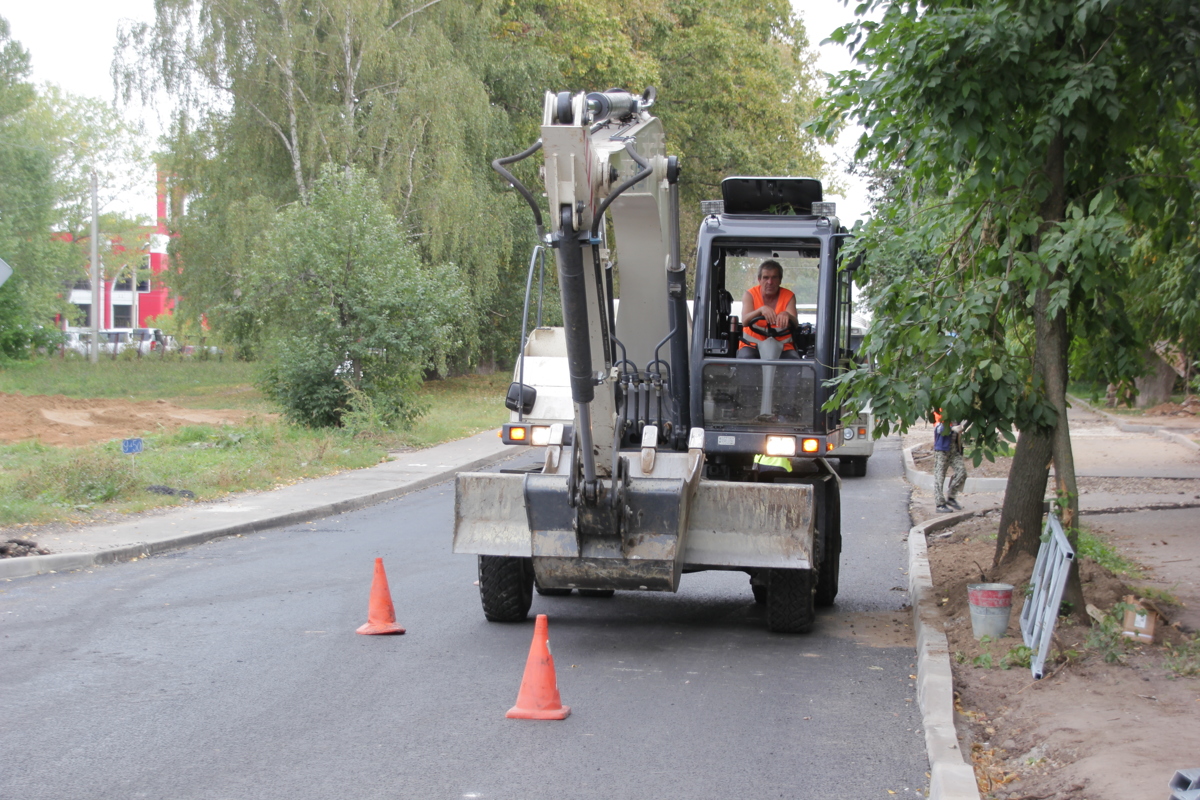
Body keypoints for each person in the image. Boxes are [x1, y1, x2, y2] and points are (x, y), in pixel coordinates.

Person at [738, 260, 799, 360]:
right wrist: (760, 310)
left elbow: (795, 323)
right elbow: (745, 321)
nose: (770, 282)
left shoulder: (789, 296)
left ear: (780, 280)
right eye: (766, 278)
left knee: (793, 361)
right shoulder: (750, 295)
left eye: (774, 277)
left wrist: (787, 315)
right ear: (759, 279)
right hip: (752, 344)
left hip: (783, 345)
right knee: (745, 358)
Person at [933, 415, 967, 512]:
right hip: (942, 450)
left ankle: (951, 497)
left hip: (954, 449)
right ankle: (940, 505)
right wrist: (952, 428)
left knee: (962, 472)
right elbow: (938, 428)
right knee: (939, 477)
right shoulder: (940, 411)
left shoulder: (956, 413)